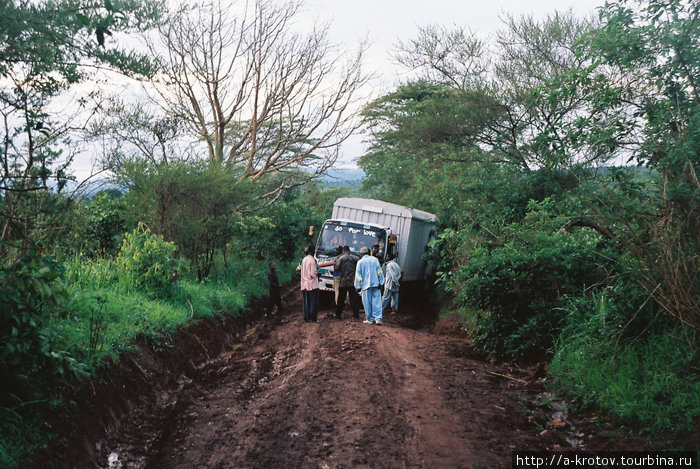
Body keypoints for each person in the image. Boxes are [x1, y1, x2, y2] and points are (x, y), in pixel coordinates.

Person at [355, 246, 384, 325]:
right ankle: (378, 319)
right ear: (368, 252)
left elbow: (358, 276)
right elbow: (379, 272)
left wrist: (357, 287)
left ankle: (370, 319)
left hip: (365, 286)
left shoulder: (360, 262)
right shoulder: (375, 260)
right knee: (377, 302)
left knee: (367, 303)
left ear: (361, 254)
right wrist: (381, 283)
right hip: (376, 284)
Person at [335, 245, 361, 319]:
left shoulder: (341, 258)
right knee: (354, 299)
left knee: (341, 299)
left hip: (343, 281)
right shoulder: (356, 258)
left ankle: (338, 314)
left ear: (343, 251)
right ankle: (356, 314)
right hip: (353, 281)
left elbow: (337, 268)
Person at [300, 246, 319, 322]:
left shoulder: (304, 260)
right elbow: (313, 274)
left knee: (306, 303)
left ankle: (307, 317)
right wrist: (318, 274)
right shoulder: (312, 260)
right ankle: (313, 318)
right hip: (312, 285)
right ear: (312, 251)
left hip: (304, 284)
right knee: (314, 302)